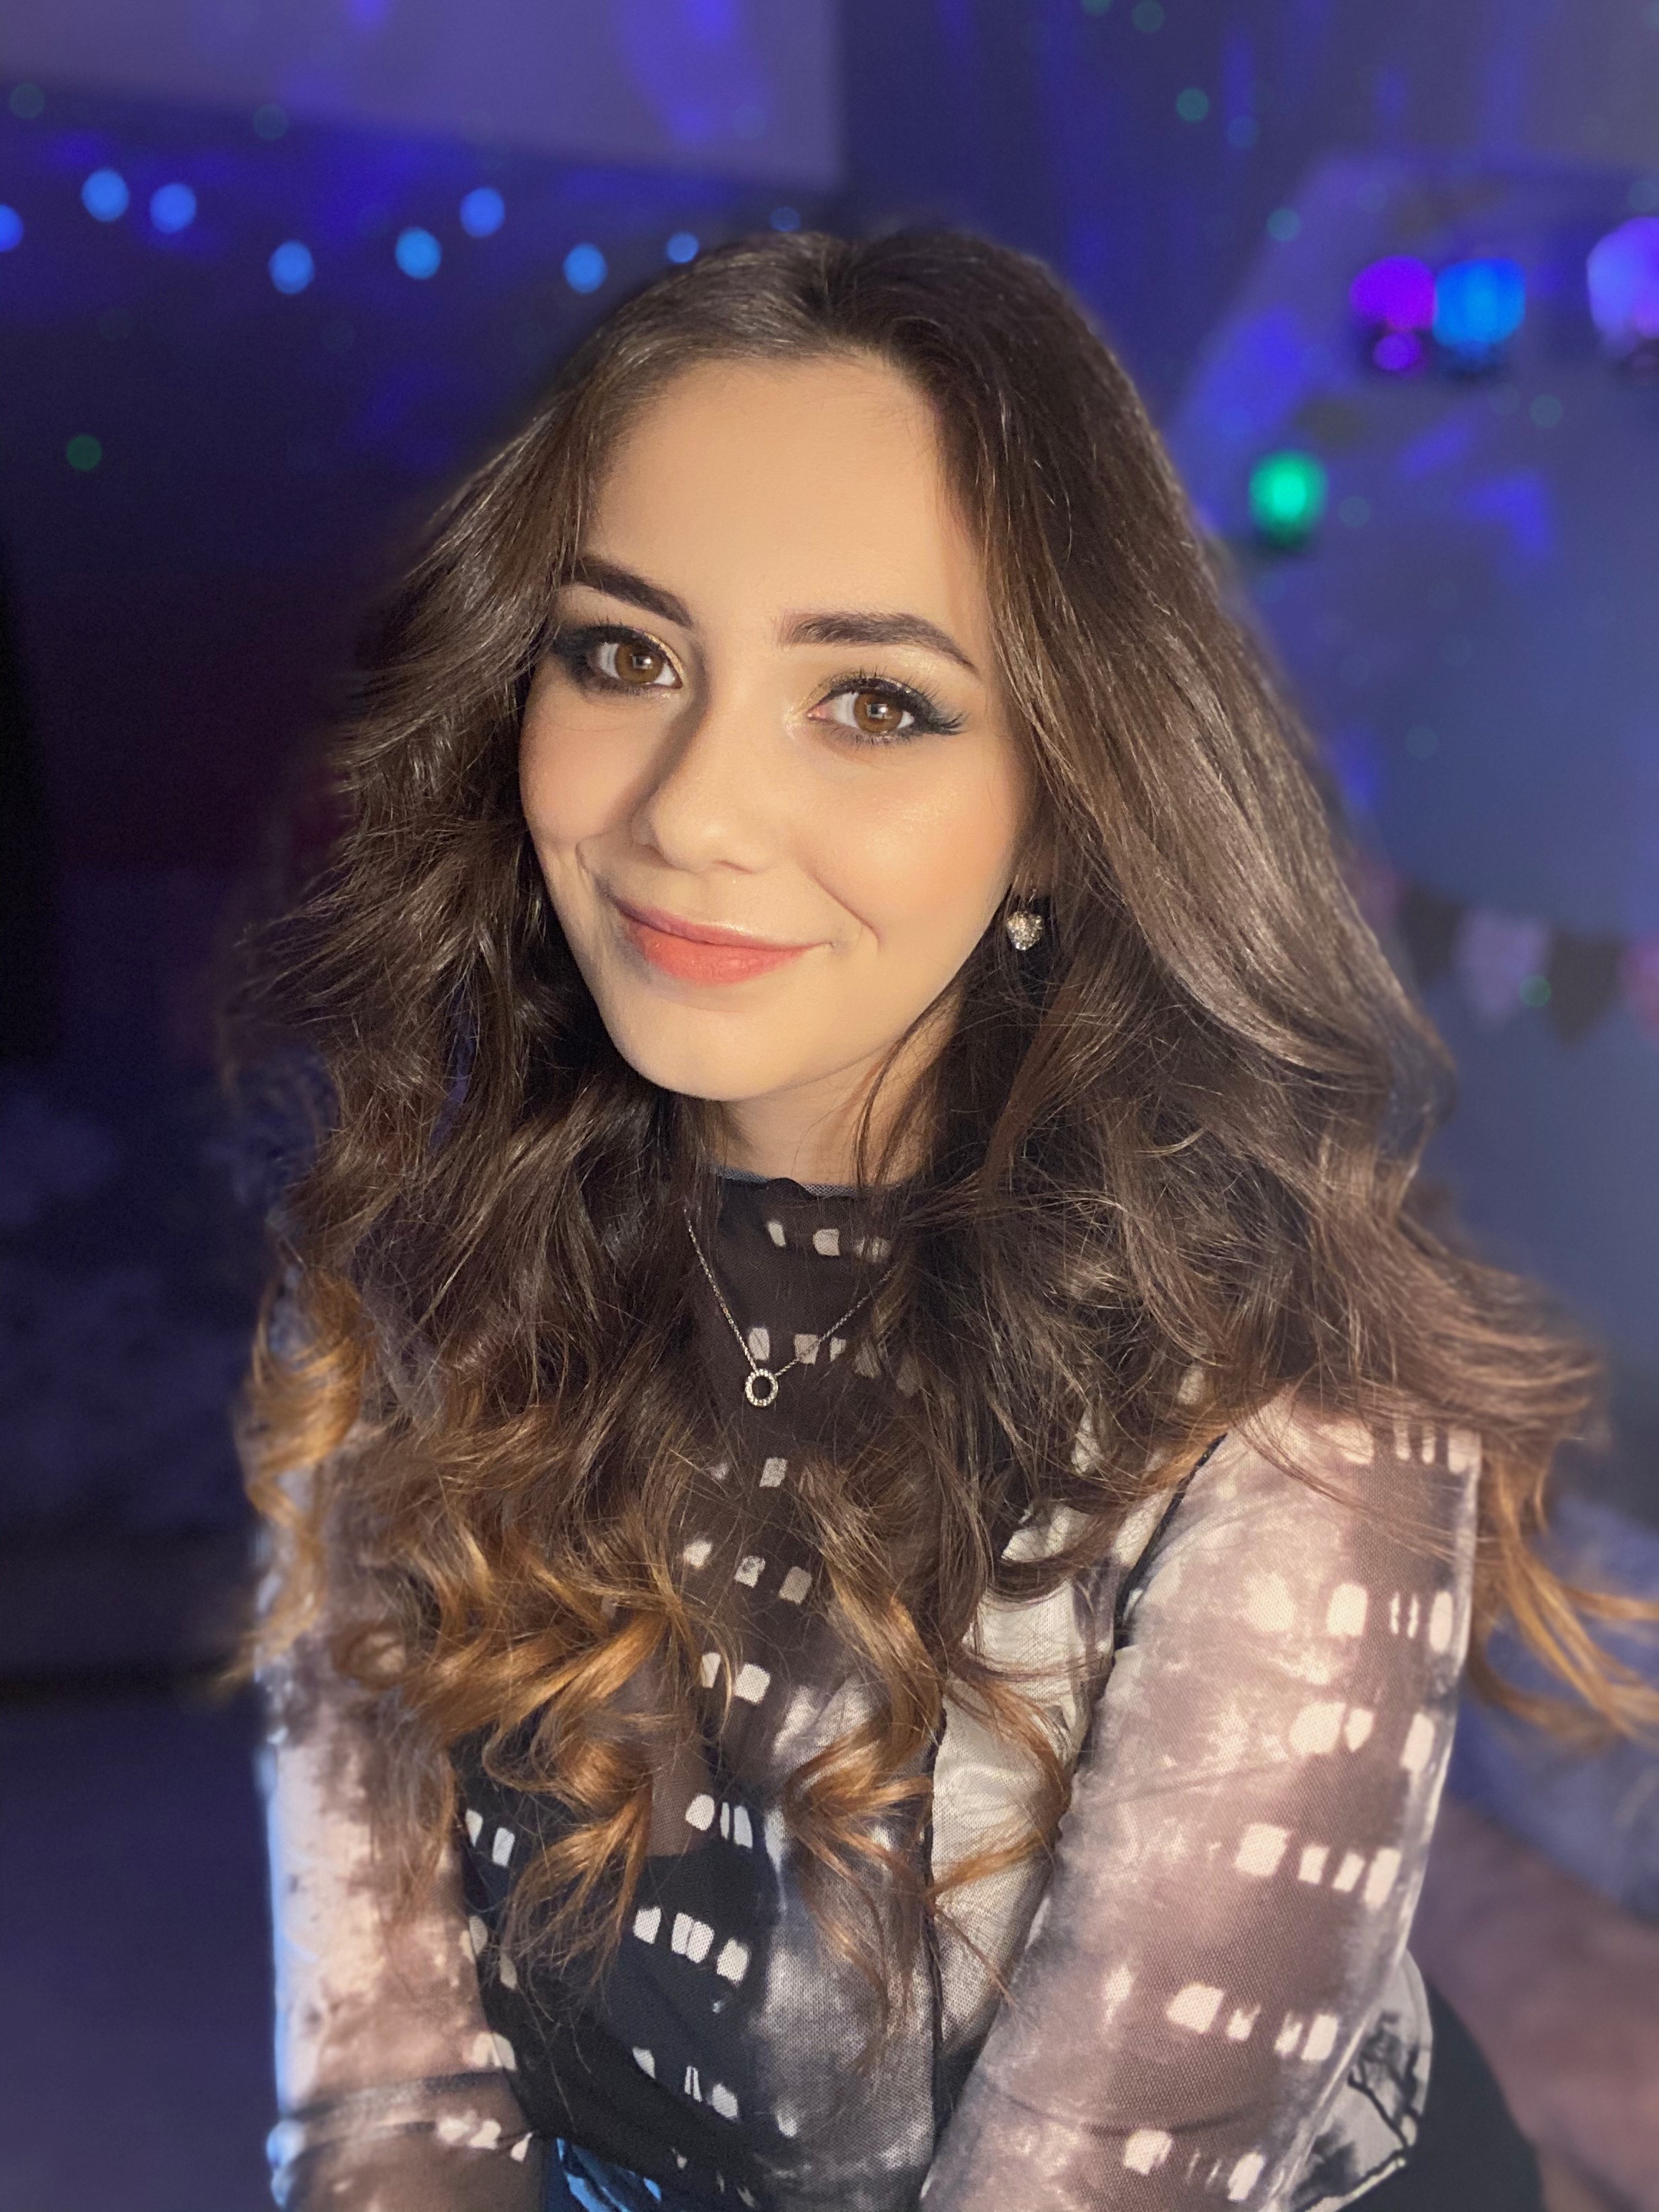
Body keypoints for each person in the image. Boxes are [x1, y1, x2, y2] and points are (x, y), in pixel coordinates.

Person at [236, 231, 1645, 2212]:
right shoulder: (404, 1297)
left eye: (875, 701)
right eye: (622, 654)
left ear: (1062, 798)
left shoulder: (1289, 1422)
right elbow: (389, 2101)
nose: (689, 811)